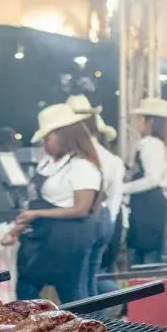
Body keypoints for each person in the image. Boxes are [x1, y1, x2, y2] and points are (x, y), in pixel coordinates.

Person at [11, 103, 101, 303]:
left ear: (64, 135)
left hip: (69, 237)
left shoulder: (82, 166)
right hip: (42, 236)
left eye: (48, 138)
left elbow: (81, 209)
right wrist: (23, 223)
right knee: (26, 286)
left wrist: (39, 214)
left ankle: (85, 331)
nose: (45, 144)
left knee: (72, 292)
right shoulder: (48, 163)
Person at [67, 95, 123, 297]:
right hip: (105, 217)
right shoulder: (111, 158)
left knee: (79, 285)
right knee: (91, 281)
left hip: (86, 220)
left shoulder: (79, 158)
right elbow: (115, 200)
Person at [125, 98, 167, 264]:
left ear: (150, 121)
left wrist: (122, 188)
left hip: (149, 206)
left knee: (147, 260)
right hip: (154, 205)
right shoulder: (163, 144)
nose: (137, 124)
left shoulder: (151, 144)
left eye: (140, 119)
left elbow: (152, 179)